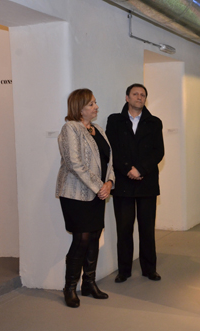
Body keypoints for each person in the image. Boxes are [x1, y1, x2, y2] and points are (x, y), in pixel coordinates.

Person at [56, 88, 115, 308]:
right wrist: (100, 186)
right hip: (75, 194)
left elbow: (109, 160)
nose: (96, 107)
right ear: (79, 108)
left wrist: (109, 183)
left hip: (99, 193)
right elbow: (74, 164)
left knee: (94, 237)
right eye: (91, 104)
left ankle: (89, 283)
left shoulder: (97, 129)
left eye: (95, 103)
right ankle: (70, 288)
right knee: (80, 240)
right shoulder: (70, 128)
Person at [106, 83, 165, 283]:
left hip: (147, 182)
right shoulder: (114, 121)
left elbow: (158, 151)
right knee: (124, 229)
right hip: (123, 182)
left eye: (142, 95)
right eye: (135, 94)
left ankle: (150, 269)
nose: (139, 97)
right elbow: (112, 149)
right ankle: (124, 270)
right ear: (127, 98)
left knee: (147, 229)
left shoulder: (155, 122)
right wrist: (128, 169)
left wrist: (140, 169)